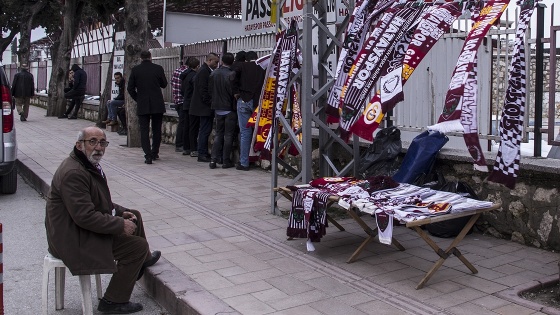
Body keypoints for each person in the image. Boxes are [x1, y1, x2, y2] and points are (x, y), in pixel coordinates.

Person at [45, 126, 161, 314]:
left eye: (102, 143)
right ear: (79, 144)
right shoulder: (74, 173)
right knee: (136, 247)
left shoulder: (85, 164)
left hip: (77, 230)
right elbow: (85, 216)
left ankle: (142, 261)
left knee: (134, 214)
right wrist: (118, 225)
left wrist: (121, 212)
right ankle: (113, 301)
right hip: (73, 239)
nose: (98, 147)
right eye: (92, 142)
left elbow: (97, 201)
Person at [127, 50, 168, 164]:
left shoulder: (135, 70)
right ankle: (155, 152)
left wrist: (138, 98)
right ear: (150, 57)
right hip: (157, 103)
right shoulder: (158, 68)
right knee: (156, 129)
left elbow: (130, 88)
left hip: (143, 103)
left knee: (144, 130)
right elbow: (164, 84)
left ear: (140, 58)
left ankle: (148, 155)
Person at [232, 51, 265, 171]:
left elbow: (232, 77)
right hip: (259, 103)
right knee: (260, 131)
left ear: (246, 59)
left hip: (243, 101)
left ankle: (244, 162)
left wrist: (236, 93)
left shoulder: (242, 66)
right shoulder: (263, 67)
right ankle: (258, 158)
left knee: (245, 133)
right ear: (257, 58)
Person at [208, 53, 236, 169]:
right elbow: (232, 92)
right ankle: (225, 160)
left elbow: (210, 90)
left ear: (222, 61)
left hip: (217, 107)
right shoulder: (231, 74)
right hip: (228, 108)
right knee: (228, 135)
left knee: (218, 134)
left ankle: (213, 160)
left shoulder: (213, 73)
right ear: (232, 62)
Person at [190, 53, 219, 162]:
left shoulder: (204, 70)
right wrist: (210, 102)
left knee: (205, 129)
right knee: (205, 130)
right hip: (204, 107)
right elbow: (203, 90)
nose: (217, 64)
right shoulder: (203, 71)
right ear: (210, 60)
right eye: (215, 62)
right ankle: (202, 153)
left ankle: (202, 152)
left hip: (202, 106)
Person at [179, 57, 201, 156]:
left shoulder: (185, 75)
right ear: (197, 66)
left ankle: (186, 147)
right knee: (193, 127)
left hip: (185, 103)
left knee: (186, 126)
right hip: (192, 103)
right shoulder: (194, 76)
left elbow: (182, 90)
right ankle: (193, 148)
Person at [171, 57, 189, 152]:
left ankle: (180, 143)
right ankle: (179, 144)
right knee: (183, 123)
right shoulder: (187, 73)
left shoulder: (176, 71)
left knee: (181, 122)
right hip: (183, 101)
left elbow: (172, 83)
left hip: (176, 100)